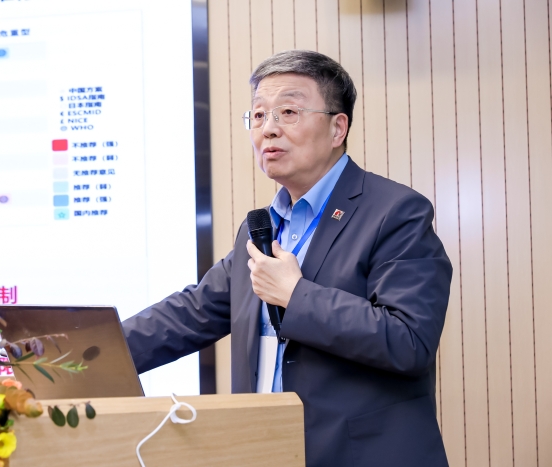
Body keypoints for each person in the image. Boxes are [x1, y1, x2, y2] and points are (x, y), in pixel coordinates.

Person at [122, 50, 452, 467]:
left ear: (337, 128)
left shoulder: (396, 212)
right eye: (259, 115)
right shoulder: (262, 227)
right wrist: (84, 353)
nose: (268, 129)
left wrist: (296, 296)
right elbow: (191, 313)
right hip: (269, 451)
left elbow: (409, 341)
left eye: (289, 112)